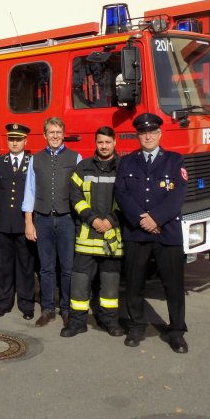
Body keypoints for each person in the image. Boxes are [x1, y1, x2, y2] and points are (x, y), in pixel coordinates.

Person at [115, 113, 189, 353]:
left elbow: (177, 195)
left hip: (167, 232)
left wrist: (155, 218)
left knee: (173, 285)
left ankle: (176, 331)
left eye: (152, 132)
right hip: (136, 232)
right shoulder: (126, 162)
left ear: (159, 134)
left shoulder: (175, 161)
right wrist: (141, 220)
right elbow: (122, 194)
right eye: (143, 133)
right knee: (135, 283)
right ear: (138, 135)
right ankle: (136, 326)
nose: (148, 136)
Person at [61, 126, 125, 338]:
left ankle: (110, 321)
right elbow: (75, 197)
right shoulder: (83, 167)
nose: (104, 146)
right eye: (100, 142)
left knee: (110, 283)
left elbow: (128, 199)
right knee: (79, 282)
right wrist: (93, 219)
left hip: (111, 236)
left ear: (114, 142)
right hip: (87, 236)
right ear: (95, 143)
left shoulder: (123, 168)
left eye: (107, 142)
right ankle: (77, 322)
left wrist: (110, 220)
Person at [22, 117, 81, 327]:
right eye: (51, 132)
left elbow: (81, 192)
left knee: (67, 268)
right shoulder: (35, 159)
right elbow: (29, 191)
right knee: (46, 269)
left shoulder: (76, 158)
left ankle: (66, 309)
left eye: (58, 132)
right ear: (45, 135)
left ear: (63, 134)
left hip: (67, 219)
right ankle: (47, 309)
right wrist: (29, 222)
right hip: (43, 219)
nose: (55, 136)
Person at [0, 124, 34, 320]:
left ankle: (26, 304)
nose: (14, 142)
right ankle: (3, 302)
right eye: (11, 139)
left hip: (24, 223)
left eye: (18, 139)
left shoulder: (32, 162)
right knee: (3, 265)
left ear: (25, 141)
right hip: (2, 221)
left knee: (25, 265)